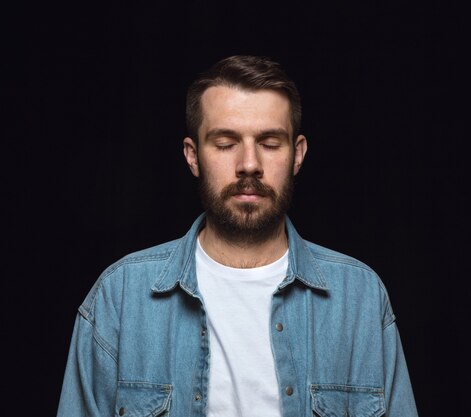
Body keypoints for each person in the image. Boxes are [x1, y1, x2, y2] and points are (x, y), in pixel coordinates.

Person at [56, 55, 418, 417]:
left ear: (298, 154)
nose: (249, 164)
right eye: (226, 143)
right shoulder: (120, 297)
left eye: (270, 143)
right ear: (193, 155)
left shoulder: (360, 298)